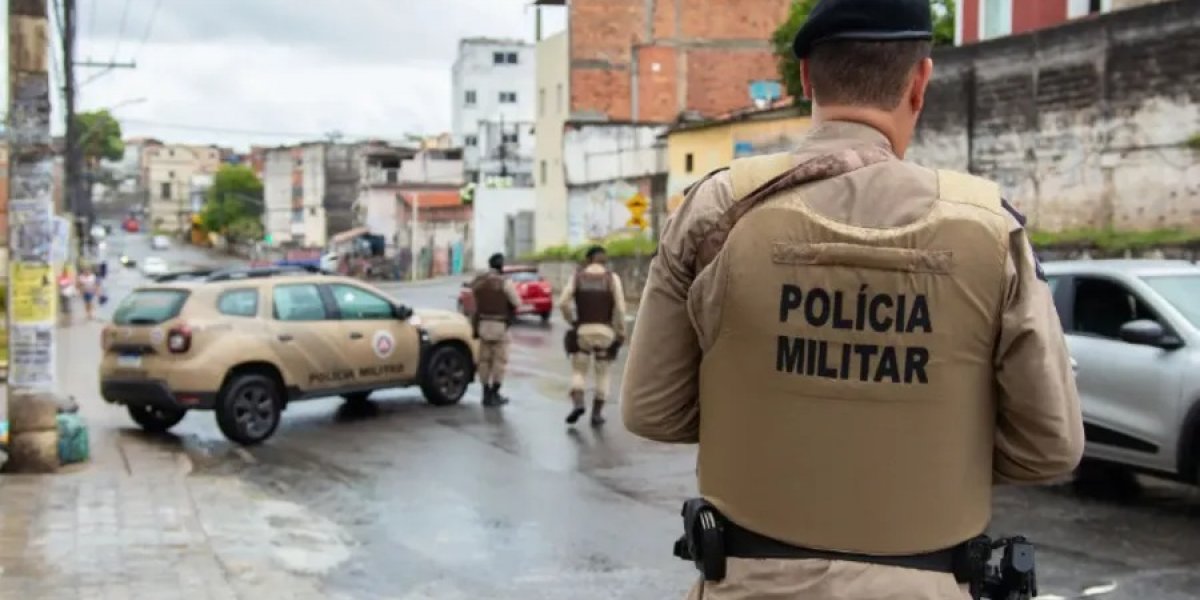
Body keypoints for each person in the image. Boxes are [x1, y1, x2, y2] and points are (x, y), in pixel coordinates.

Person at [620, 0, 1085, 598]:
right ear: (920, 82)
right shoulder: (991, 229)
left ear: (808, 78)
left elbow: (651, 411)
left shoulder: (713, 211)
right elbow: (1050, 446)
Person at [559, 245, 627, 426]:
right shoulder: (612, 278)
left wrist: (572, 321)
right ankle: (597, 414)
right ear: (605, 260)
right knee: (603, 373)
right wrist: (620, 332)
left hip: (583, 331)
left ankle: (579, 403)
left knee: (579, 370)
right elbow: (620, 308)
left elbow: (563, 302)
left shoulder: (577, 277)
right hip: (605, 331)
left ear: (588, 259)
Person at [469, 253, 521, 406]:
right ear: (501, 265)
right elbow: (517, 302)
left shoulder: (479, 282)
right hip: (500, 325)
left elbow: (472, 295)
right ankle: (495, 392)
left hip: (483, 324)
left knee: (484, 361)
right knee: (499, 361)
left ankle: (485, 392)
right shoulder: (505, 283)